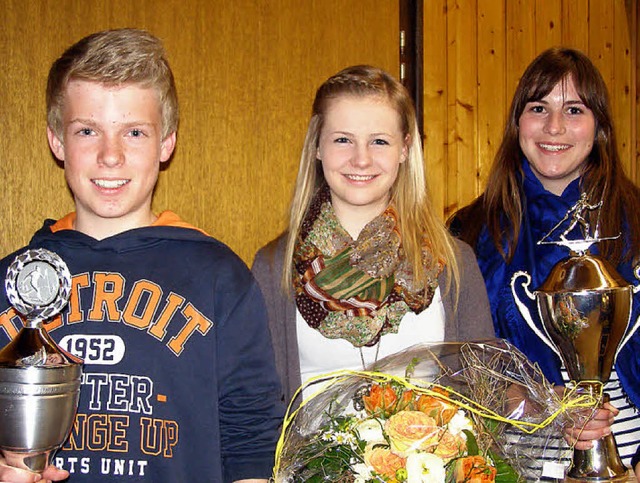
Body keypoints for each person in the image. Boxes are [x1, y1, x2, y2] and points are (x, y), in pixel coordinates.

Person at [0, 28, 283, 482]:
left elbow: (251, 440)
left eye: (134, 132)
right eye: (87, 130)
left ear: (166, 142)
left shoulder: (219, 278)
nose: (110, 156)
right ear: (57, 141)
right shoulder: (13, 282)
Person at [251, 65, 494, 406]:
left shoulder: (454, 262)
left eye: (379, 141)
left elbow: (484, 396)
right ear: (318, 146)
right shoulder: (274, 266)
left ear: (405, 149)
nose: (361, 159)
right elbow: (259, 406)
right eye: (342, 140)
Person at [449, 47, 640, 475]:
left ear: (600, 127)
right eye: (539, 108)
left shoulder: (638, 222)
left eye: (574, 109)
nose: (555, 127)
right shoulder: (470, 232)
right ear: (518, 121)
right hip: (512, 462)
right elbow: (461, 365)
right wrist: (542, 404)